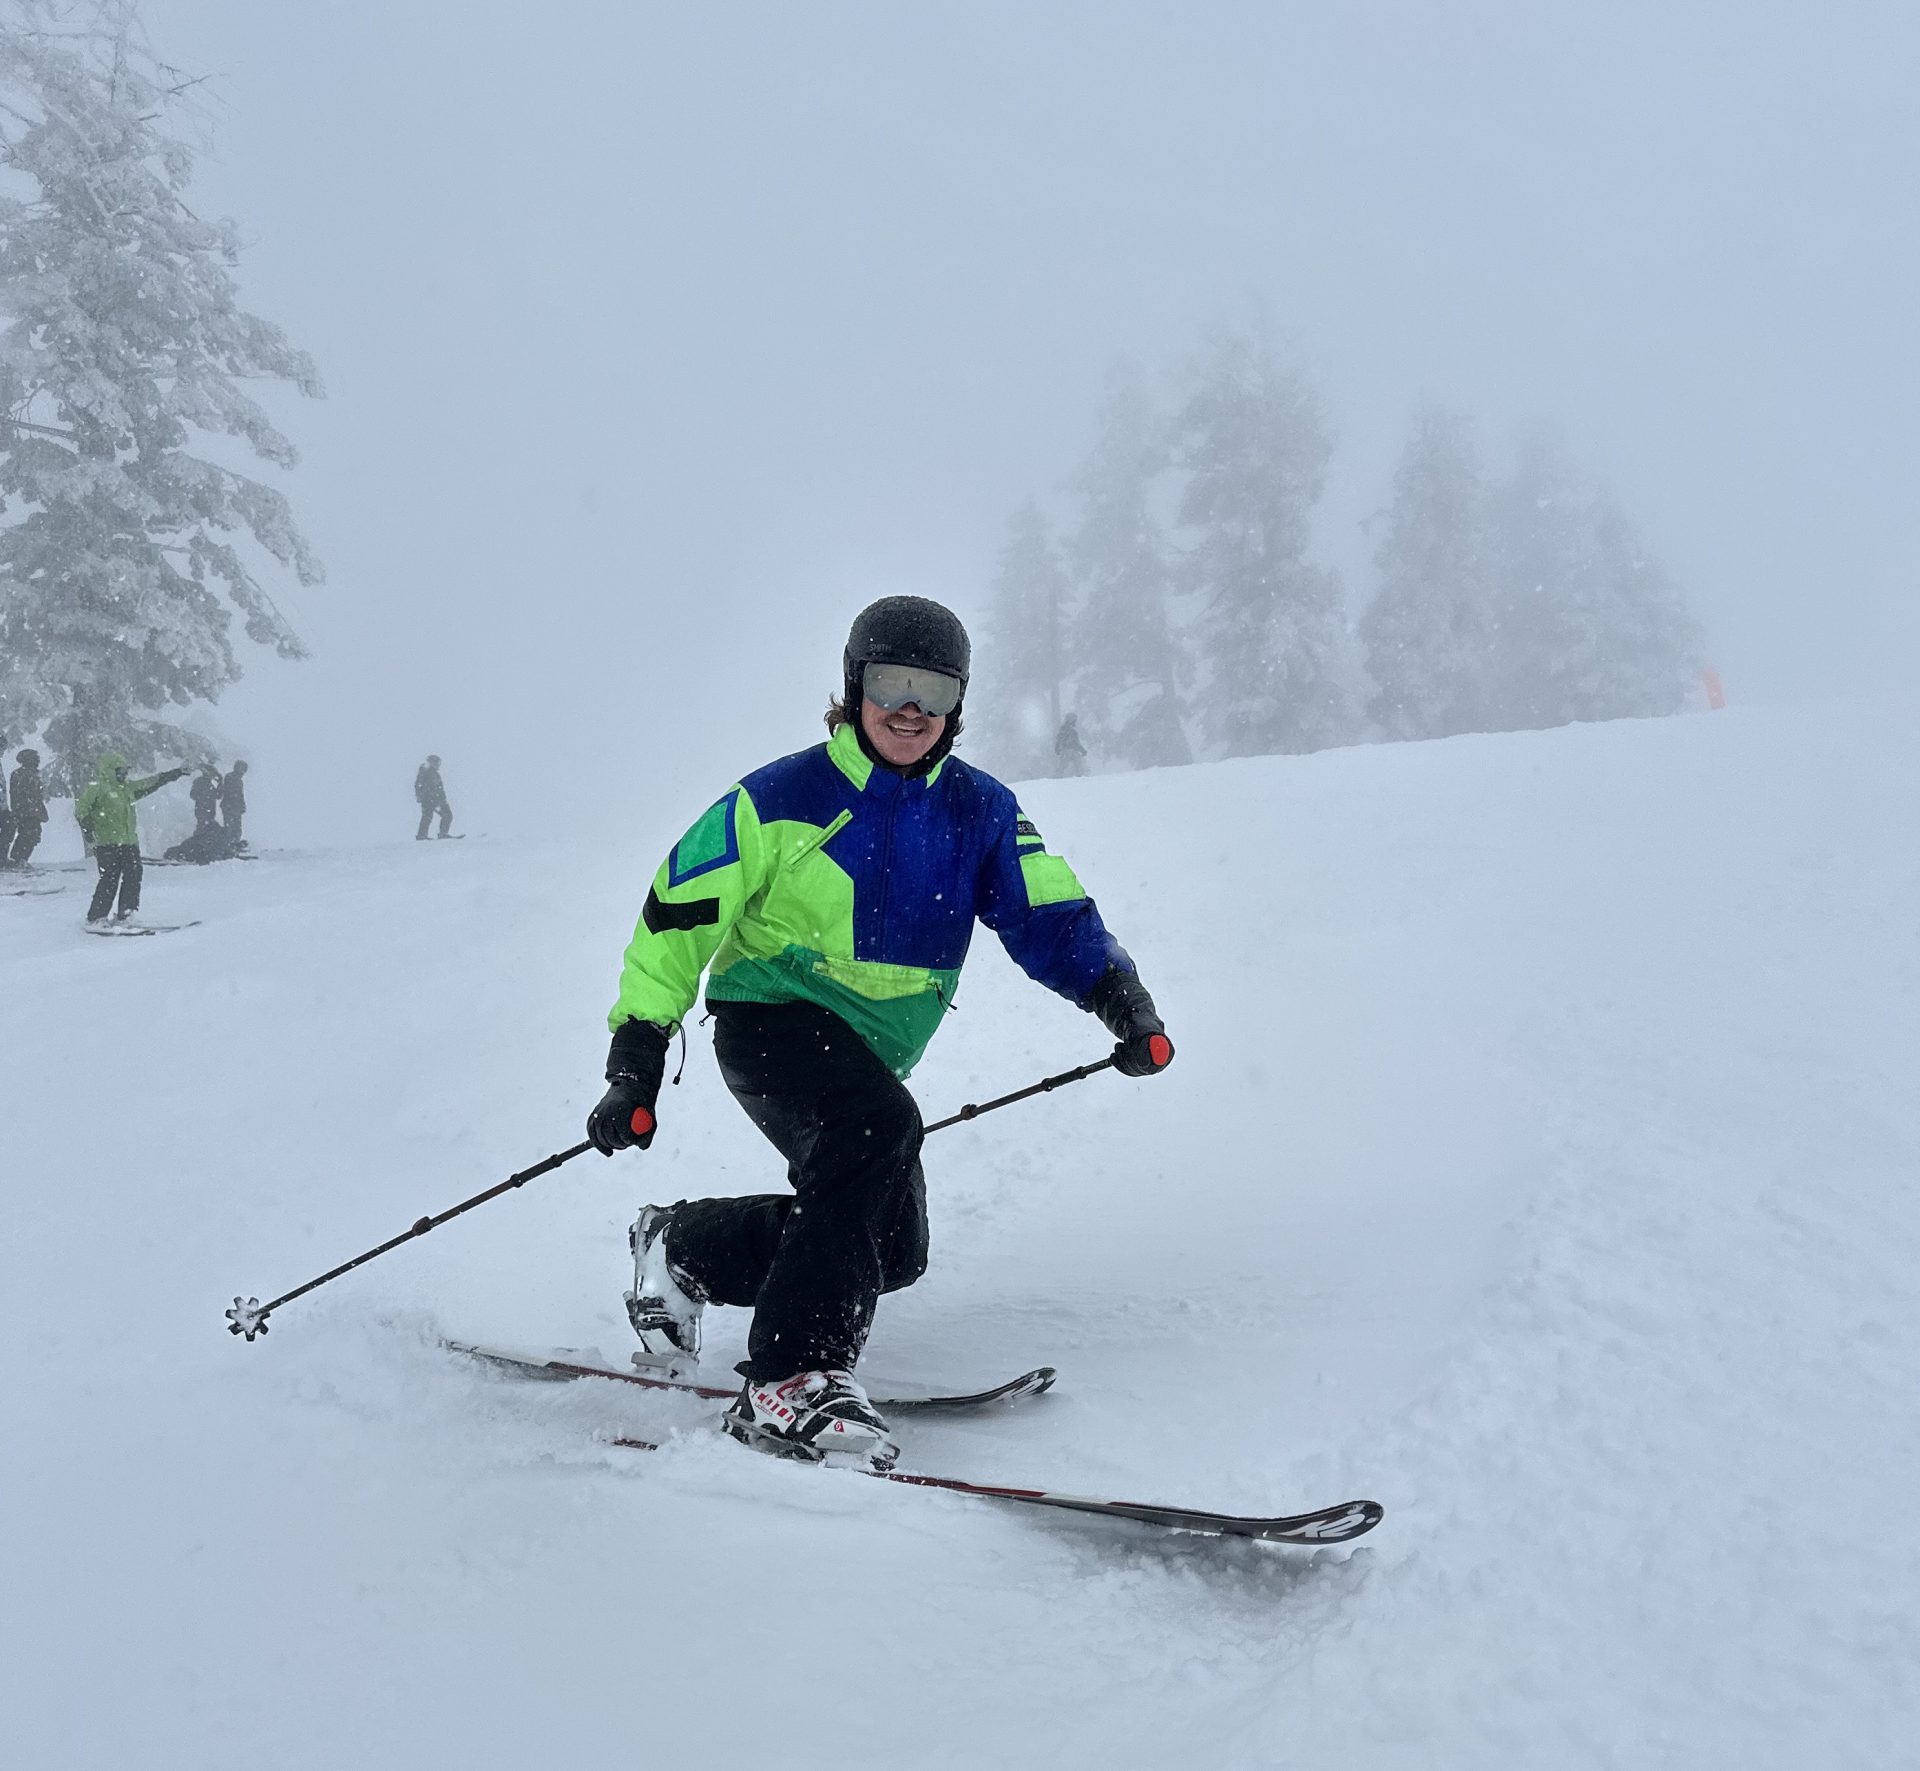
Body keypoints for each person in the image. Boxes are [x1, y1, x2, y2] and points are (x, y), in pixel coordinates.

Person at [585, 596, 1173, 1469]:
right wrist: (637, 1056)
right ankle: (791, 1376)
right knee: (876, 1129)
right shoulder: (782, 797)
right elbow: (677, 917)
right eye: (893, 683)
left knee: (890, 1245)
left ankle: (684, 1247)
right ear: (854, 686)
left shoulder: (979, 812)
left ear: (957, 705)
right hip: (769, 1019)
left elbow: (1050, 912)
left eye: (934, 691)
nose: (911, 708)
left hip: (864, 1053)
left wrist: (1118, 997)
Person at [74, 752, 188, 924]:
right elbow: (82, 809)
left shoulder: (126, 788)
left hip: (129, 843)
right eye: (121, 770)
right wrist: (88, 828)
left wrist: (175, 773)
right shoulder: (98, 787)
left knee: (133, 876)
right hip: (107, 843)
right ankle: (96, 917)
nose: (124, 774)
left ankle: (126, 913)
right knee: (109, 879)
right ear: (110, 770)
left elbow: (151, 783)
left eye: (126, 771)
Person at [5, 750, 47, 866]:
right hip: (26, 811)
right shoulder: (20, 774)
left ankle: (20, 859)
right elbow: (19, 794)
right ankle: (18, 859)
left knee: (32, 835)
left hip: (31, 811)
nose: (37, 761)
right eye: (34, 759)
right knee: (28, 834)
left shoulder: (30, 774)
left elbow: (37, 794)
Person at [414, 755, 452, 840]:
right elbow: (420, 785)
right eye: (436, 762)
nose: (438, 765)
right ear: (431, 762)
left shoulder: (432, 773)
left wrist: (443, 798)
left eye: (439, 762)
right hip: (431, 799)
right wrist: (423, 796)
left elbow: (439, 788)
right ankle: (439, 834)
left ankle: (423, 835)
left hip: (435, 799)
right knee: (444, 815)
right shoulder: (427, 772)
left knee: (429, 816)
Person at [219, 760, 248, 848]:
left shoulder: (239, 780)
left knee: (236, 828)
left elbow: (240, 794)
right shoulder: (230, 777)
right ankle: (228, 845)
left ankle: (235, 844)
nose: (243, 772)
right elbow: (230, 792)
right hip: (230, 807)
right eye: (242, 769)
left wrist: (242, 805)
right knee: (229, 828)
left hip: (236, 808)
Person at [1054, 713, 1088, 777]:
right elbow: (1059, 738)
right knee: (1063, 765)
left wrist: (1082, 750)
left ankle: (1080, 777)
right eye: (1074, 720)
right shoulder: (1064, 728)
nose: (1075, 722)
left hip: (1073, 750)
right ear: (1070, 720)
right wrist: (1057, 746)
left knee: (1079, 764)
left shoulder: (1072, 730)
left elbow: (1076, 742)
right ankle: (1057, 777)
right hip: (1066, 750)